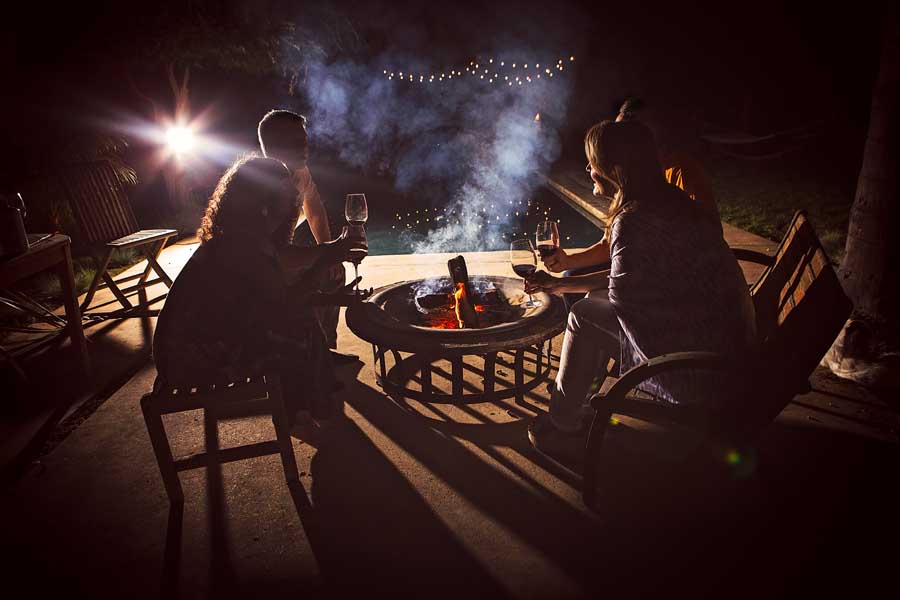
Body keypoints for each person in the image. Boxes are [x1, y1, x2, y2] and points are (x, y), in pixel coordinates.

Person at [524, 120, 756, 461]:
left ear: (612, 169)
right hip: (721, 344)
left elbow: (624, 298)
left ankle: (562, 426)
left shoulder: (633, 219)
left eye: (592, 163)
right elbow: (632, 278)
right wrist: (561, 283)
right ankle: (577, 403)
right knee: (592, 301)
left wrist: (564, 285)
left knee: (583, 315)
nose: (588, 170)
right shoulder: (670, 200)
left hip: (699, 370)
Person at [152, 156, 365, 427]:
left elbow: (271, 298)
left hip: (204, 342)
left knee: (300, 324)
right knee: (297, 332)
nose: (294, 197)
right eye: (286, 190)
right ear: (262, 199)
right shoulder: (241, 244)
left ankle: (307, 405)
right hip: (187, 360)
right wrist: (323, 263)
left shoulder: (250, 237)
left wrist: (330, 294)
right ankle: (305, 409)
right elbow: (283, 306)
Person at [541, 97, 720, 310]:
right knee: (573, 279)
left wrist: (561, 285)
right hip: (654, 272)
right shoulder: (633, 188)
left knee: (583, 310)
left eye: (624, 133)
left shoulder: (675, 181)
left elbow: (703, 245)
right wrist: (568, 262)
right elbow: (611, 245)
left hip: (682, 286)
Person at [257, 109, 359, 364]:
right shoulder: (264, 181)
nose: (305, 147)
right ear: (276, 145)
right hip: (251, 274)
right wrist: (327, 254)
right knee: (317, 274)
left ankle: (324, 349)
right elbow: (273, 254)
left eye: (305, 140)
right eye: (297, 142)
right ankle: (306, 351)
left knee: (333, 272)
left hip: (271, 261)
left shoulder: (298, 172)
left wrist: (329, 252)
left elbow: (314, 211)